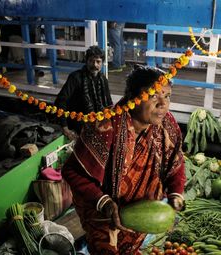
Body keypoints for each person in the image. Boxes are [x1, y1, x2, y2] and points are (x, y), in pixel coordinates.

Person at [62, 65, 186, 254]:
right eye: (153, 96)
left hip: (141, 212)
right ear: (133, 97)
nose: (163, 104)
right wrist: (104, 202)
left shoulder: (166, 124)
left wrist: (176, 193)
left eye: (167, 96)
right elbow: (71, 171)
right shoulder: (104, 126)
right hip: (102, 213)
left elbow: (175, 164)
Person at [54, 46, 113, 140]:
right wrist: (65, 128)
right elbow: (61, 101)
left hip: (98, 123)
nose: (95, 65)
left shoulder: (103, 80)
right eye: (91, 61)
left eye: (98, 62)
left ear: (102, 63)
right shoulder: (75, 77)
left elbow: (109, 104)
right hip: (78, 124)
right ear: (86, 61)